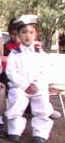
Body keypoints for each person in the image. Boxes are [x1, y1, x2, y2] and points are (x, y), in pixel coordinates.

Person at [5, 15, 53, 143]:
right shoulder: (14, 53)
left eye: (31, 32)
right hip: (21, 87)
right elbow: (11, 71)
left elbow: (45, 71)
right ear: (18, 35)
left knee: (42, 105)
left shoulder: (41, 53)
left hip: (37, 87)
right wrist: (24, 85)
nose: (27, 35)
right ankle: (15, 131)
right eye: (24, 32)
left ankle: (40, 133)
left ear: (35, 34)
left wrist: (36, 84)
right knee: (16, 101)